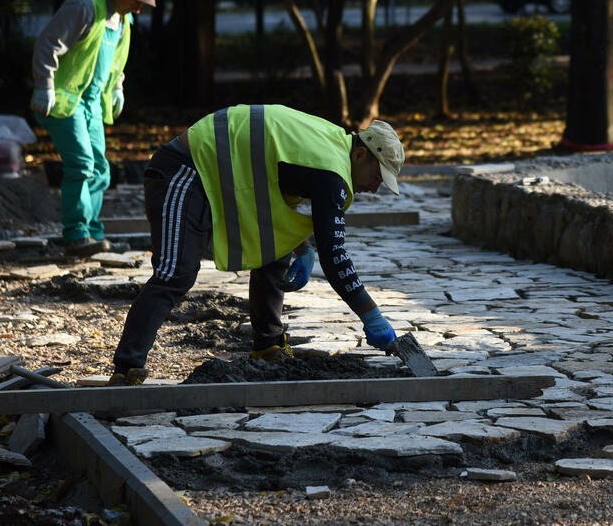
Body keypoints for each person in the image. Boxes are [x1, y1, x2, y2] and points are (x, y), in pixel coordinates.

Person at [108, 104, 405, 385]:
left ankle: (268, 347)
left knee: (274, 249)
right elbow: (335, 257)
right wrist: (371, 315)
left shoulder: (332, 148)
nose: (374, 188)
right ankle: (127, 367)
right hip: (186, 170)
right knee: (176, 273)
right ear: (361, 155)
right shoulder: (332, 171)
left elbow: (270, 197)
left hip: (222, 176)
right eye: (377, 176)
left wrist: (302, 247)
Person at [31, 0, 161, 257]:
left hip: (90, 104)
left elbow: (116, 62)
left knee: (101, 169)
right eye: (138, 2)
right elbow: (47, 43)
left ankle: (92, 233)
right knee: (81, 165)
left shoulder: (124, 20)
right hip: (65, 99)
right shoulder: (85, 6)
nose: (139, 10)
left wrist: (117, 87)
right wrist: (44, 83)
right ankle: (76, 236)